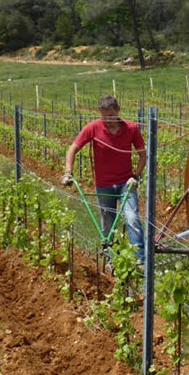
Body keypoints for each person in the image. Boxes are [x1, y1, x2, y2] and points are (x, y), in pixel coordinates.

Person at [62, 95, 146, 264]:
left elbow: (143, 154)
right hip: (104, 185)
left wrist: (136, 176)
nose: (107, 120)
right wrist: (68, 172)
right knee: (107, 223)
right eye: (104, 116)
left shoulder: (131, 128)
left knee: (132, 218)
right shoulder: (93, 128)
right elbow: (72, 149)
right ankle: (111, 259)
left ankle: (141, 261)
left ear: (118, 111)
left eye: (110, 116)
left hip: (126, 183)